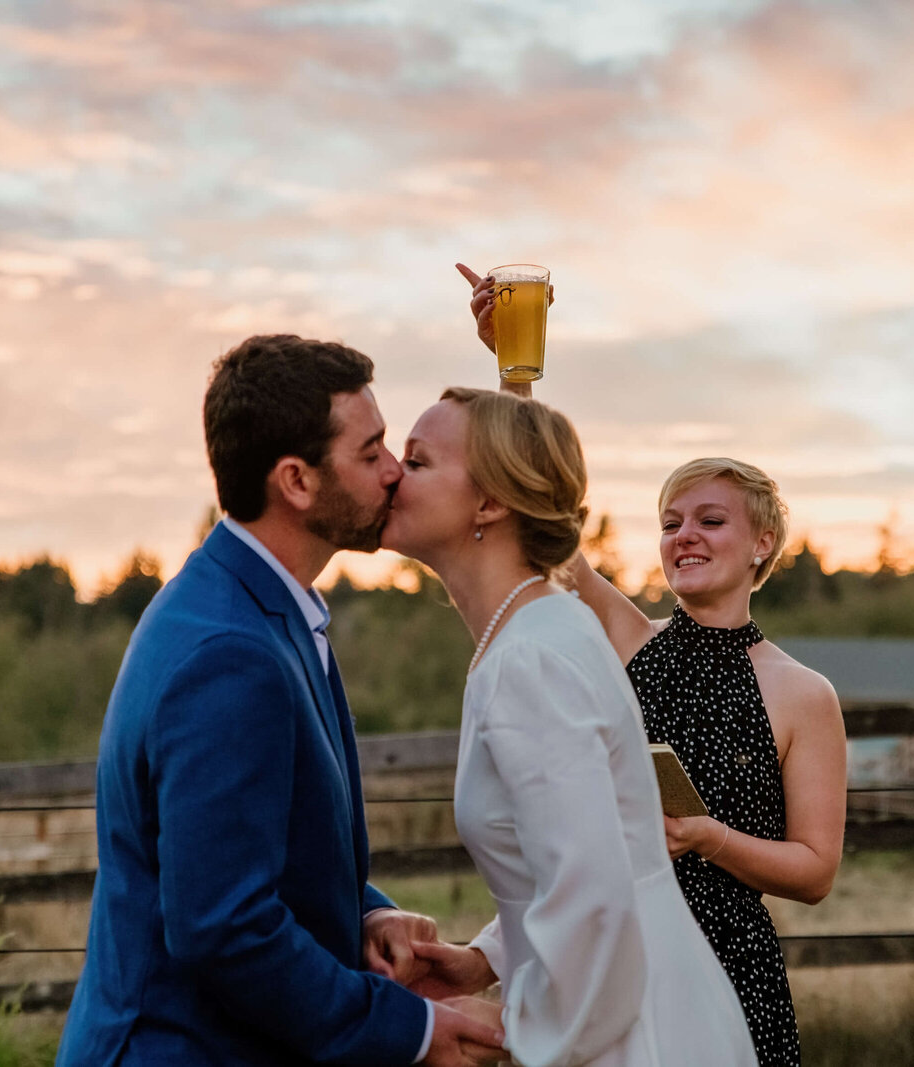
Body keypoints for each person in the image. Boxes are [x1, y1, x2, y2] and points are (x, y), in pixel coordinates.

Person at [57, 335, 506, 1066]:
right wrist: (409, 1030)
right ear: (296, 480)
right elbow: (223, 925)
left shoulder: (253, 605)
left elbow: (254, 844)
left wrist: (364, 910)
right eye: (370, 453)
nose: (394, 470)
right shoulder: (228, 653)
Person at [458, 265, 848, 1067]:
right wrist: (513, 372)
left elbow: (814, 870)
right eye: (671, 522)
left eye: (711, 519)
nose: (685, 536)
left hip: (736, 972)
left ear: (762, 543)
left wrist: (707, 837)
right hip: (621, 964)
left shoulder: (805, 694)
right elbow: (543, 519)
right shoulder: (632, 641)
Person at [381, 387, 758, 1067]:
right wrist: (486, 958)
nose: (388, 475)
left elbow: (596, 904)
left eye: (416, 461)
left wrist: (507, 1028)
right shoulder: (541, 627)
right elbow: (589, 847)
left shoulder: (531, 656)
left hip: (627, 1035)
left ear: (490, 502)